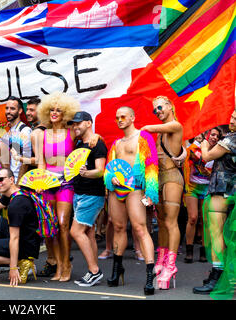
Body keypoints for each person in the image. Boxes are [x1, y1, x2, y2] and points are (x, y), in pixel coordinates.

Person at [104, 106, 158, 295]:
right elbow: (108, 169)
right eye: (117, 117)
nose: (119, 120)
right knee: (117, 227)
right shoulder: (116, 143)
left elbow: (152, 165)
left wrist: (151, 193)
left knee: (140, 228)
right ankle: (117, 269)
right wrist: (110, 178)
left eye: (123, 117)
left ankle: (150, 275)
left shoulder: (143, 138)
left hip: (135, 188)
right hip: (116, 191)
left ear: (133, 117)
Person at [141, 96, 184, 290]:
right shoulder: (161, 133)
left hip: (173, 177)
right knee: (162, 222)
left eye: (159, 107)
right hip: (158, 179)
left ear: (169, 106)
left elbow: (148, 129)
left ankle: (171, 265)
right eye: (154, 110)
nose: (157, 111)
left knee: (171, 221)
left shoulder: (175, 125)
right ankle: (162, 257)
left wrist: (139, 130)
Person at [35, 92, 78, 282]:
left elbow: (89, 139)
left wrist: (96, 137)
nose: (54, 113)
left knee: (63, 224)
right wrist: (39, 182)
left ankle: (66, 264)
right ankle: (58, 265)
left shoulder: (72, 133)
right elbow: (41, 163)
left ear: (65, 113)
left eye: (58, 110)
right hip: (47, 185)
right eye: (51, 110)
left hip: (66, 184)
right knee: (51, 227)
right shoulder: (42, 135)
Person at [193, 109, 236, 295]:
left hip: (223, 190)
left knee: (217, 234)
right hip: (229, 190)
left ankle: (217, 278)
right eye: (232, 117)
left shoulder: (231, 139)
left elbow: (207, 156)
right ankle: (228, 278)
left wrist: (202, 143)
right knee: (227, 237)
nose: (232, 120)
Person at [67, 111, 107, 287]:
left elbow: (100, 170)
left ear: (89, 123)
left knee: (75, 232)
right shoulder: (79, 143)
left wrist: (85, 173)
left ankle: (94, 271)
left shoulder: (97, 143)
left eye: (79, 123)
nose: (75, 126)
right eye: (73, 124)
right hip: (80, 193)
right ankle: (94, 270)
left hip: (91, 195)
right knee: (89, 234)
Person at [183, 128, 222, 263]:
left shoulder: (219, 151)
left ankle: (203, 251)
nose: (214, 137)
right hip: (192, 187)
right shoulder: (194, 148)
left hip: (207, 188)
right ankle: (189, 251)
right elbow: (184, 156)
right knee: (193, 218)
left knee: (204, 221)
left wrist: (209, 174)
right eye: (212, 134)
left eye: (217, 136)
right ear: (206, 135)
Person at [1, 96, 32, 182]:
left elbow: (26, 161)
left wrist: (18, 184)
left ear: (20, 111)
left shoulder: (25, 131)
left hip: (20, 182)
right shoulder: (10, 131)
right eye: (7, 108)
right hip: (11, 180)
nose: (8, 111)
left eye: (12, 109)